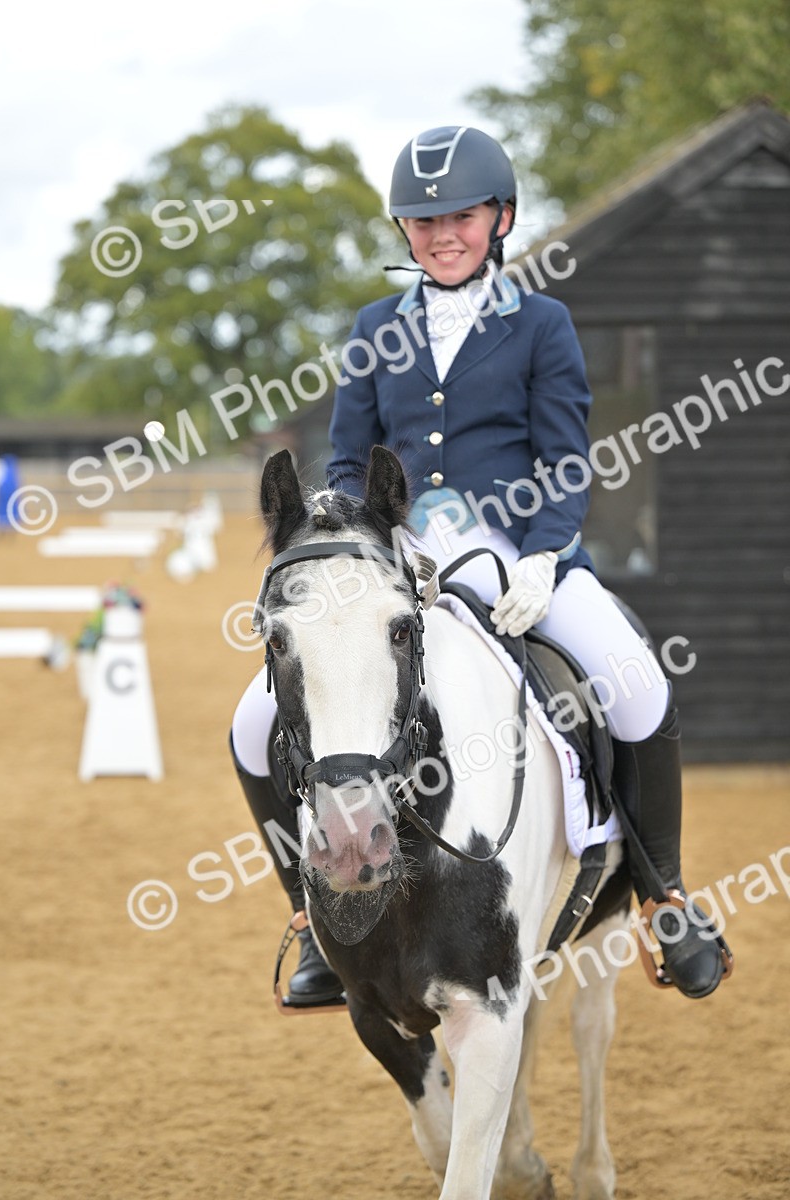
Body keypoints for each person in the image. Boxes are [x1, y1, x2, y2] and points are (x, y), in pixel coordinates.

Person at [231, 125, 730, 1004]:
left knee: (636, 682)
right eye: (423, 221)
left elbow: (565, 460)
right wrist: (349, 545)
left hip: (517, 555)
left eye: (460, 217)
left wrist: (543, 556)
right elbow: (346, 463)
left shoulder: (542, 324)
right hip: (397, 559)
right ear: (404, 230)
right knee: (250, 724)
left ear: (501, 218)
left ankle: (666, 897)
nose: (442, 235)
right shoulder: (374, 328)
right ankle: (312, 917)